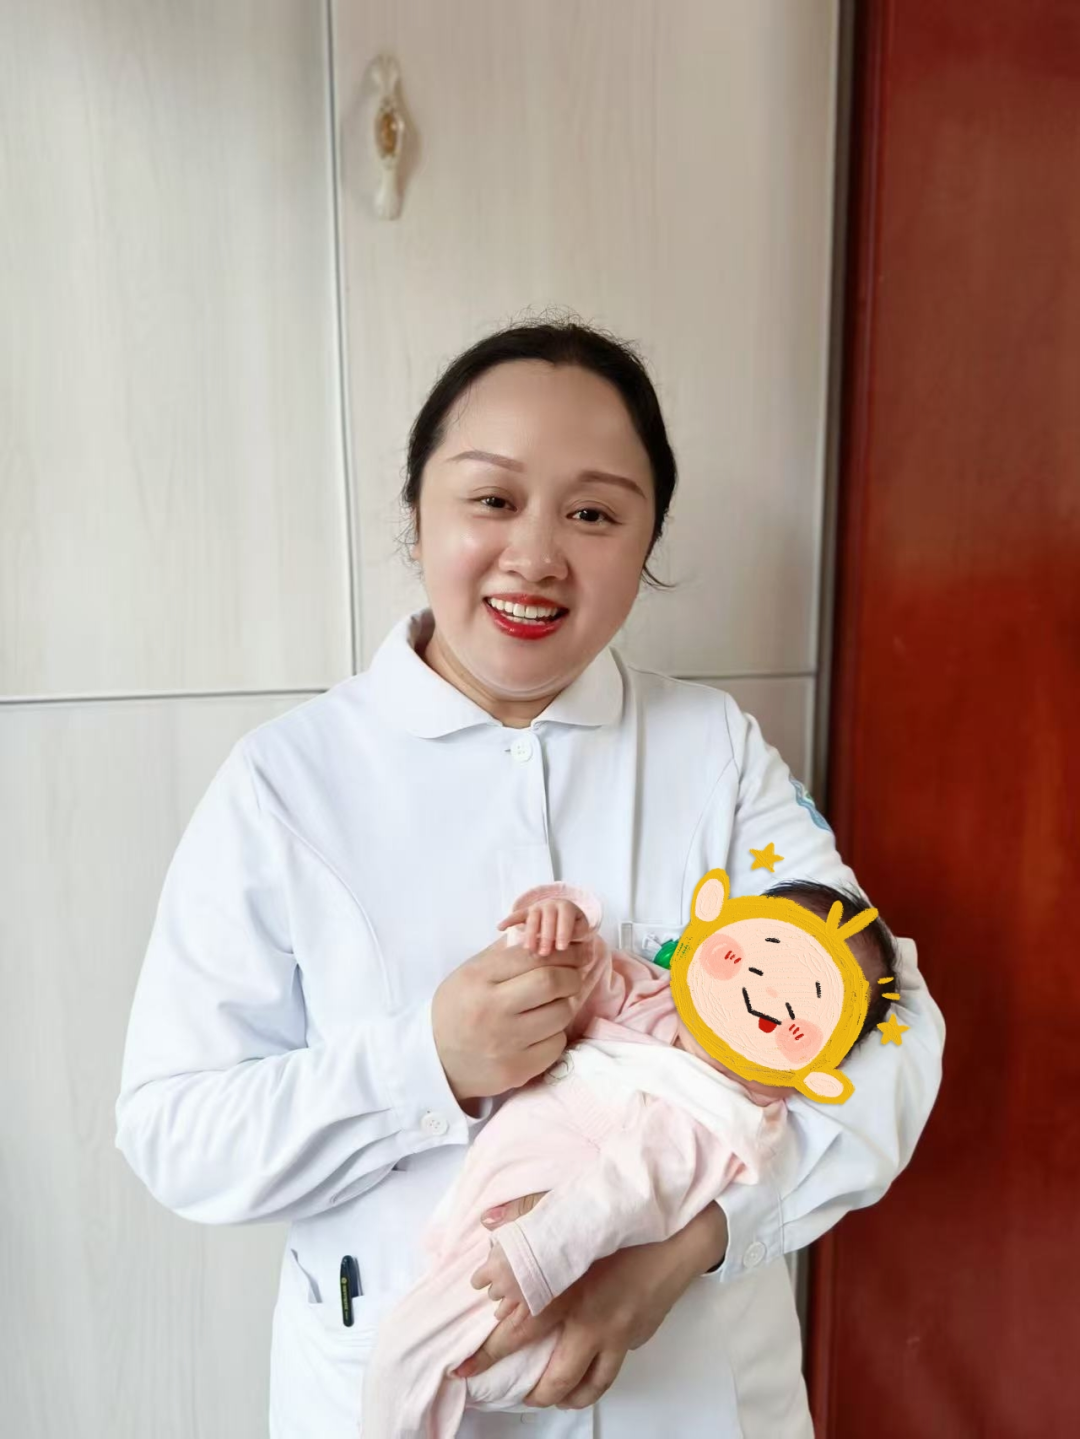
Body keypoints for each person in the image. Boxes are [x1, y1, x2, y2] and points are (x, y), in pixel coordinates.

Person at [114, 320, 945, 1439]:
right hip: (389, 1373)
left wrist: (684, 1247)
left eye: (594, 513)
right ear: (418, 512)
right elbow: (174, 1129)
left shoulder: (712, 749)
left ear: (648, 540)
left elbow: (890, 1030)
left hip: (692, 1391)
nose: (538, 555)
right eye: (493, 499)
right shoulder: (285, 782)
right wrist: (425, 1064)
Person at [360, 876, 900, 1437]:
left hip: (542, 1272)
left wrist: (542, 1250)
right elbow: (582, 978)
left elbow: (631, 1189)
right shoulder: (654, 1000)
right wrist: (559, 928)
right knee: (412, 1363)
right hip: (489, 1241)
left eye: (805, 1005)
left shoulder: (719, 1116)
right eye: (763, 962)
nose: (764, 998)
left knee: (403, 1360)